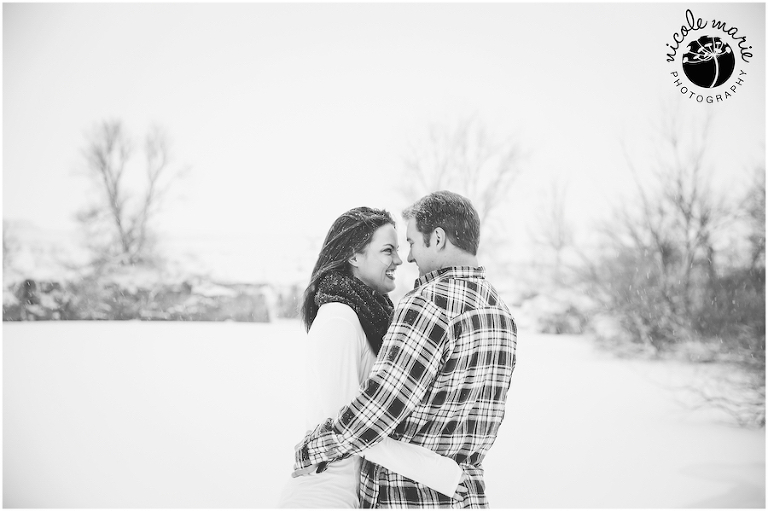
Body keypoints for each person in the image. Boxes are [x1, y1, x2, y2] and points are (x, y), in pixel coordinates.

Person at [294, 191, 518, 508]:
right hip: (464, 497)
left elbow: (379, 409)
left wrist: (314, 447)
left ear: (437, 238)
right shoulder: (499, 312)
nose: (408, 258)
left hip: (406, 497)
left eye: (411, 243)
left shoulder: (428, 304)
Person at [278, 206, 464, 508]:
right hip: (325, 494)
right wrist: (443, 471)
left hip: (356, 494)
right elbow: (353, 432)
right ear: (354, 256)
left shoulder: (366, 317)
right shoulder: (338, 319)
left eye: (399, 249)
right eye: (387, 250)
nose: (399, 260)